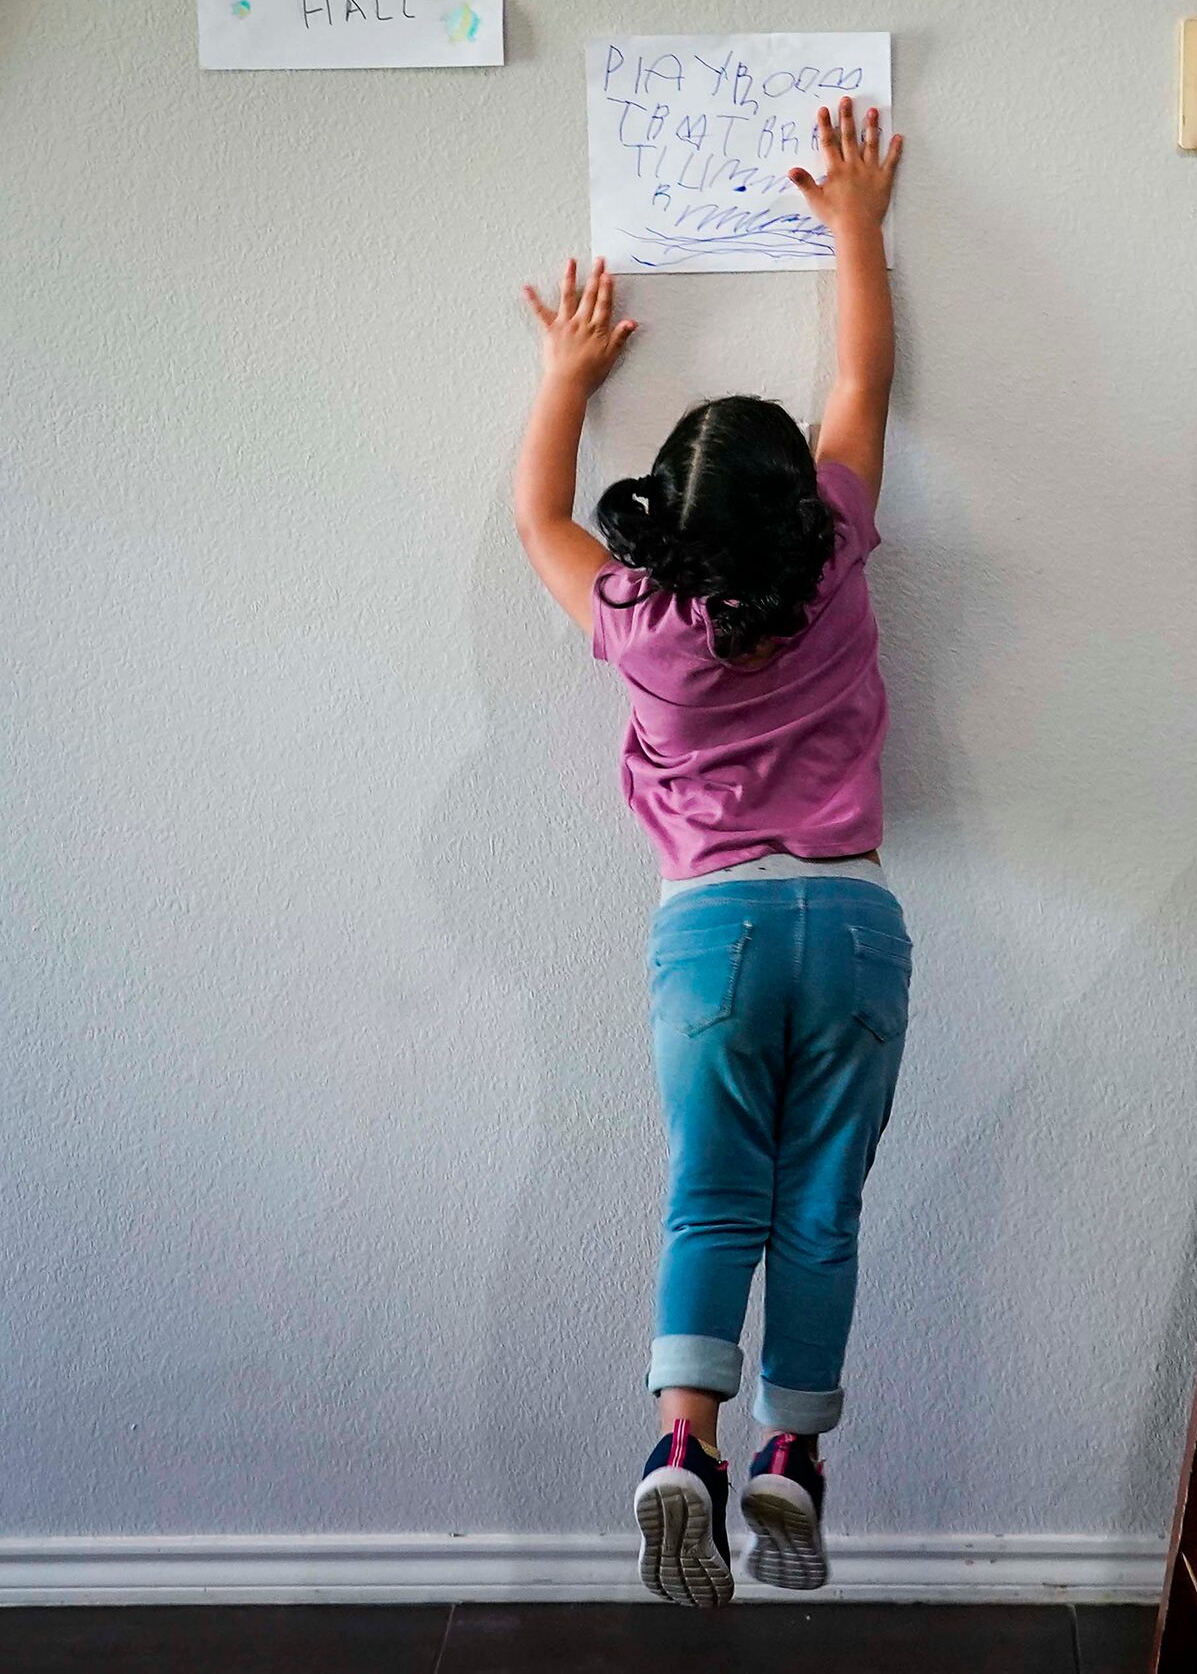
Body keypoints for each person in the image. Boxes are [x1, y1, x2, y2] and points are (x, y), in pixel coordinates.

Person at [510, 98, 908, 1607]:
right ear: (799, 506)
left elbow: (538, 512)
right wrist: (853, 229)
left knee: (711, 1194)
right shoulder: (842, 554)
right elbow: (861, 376)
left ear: (663, 522)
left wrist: (566, 371)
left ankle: (682, 1442)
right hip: (857, 926)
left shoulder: (639, 624)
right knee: (822, 1202)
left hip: (711, 932)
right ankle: (792, 1464)